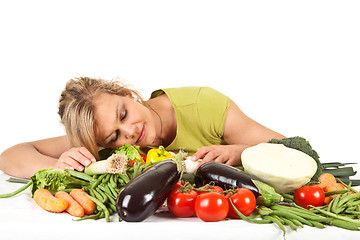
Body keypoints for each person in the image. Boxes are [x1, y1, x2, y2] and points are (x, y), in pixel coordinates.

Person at [0, 77, 285, 179]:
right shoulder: (107, 142)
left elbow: (291, 147)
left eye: (123, 114)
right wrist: (59, 166)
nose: (130, 132)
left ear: (126, 93)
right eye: (114, 136)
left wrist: (241, 152)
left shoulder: (203, 106)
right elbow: (11, 155)